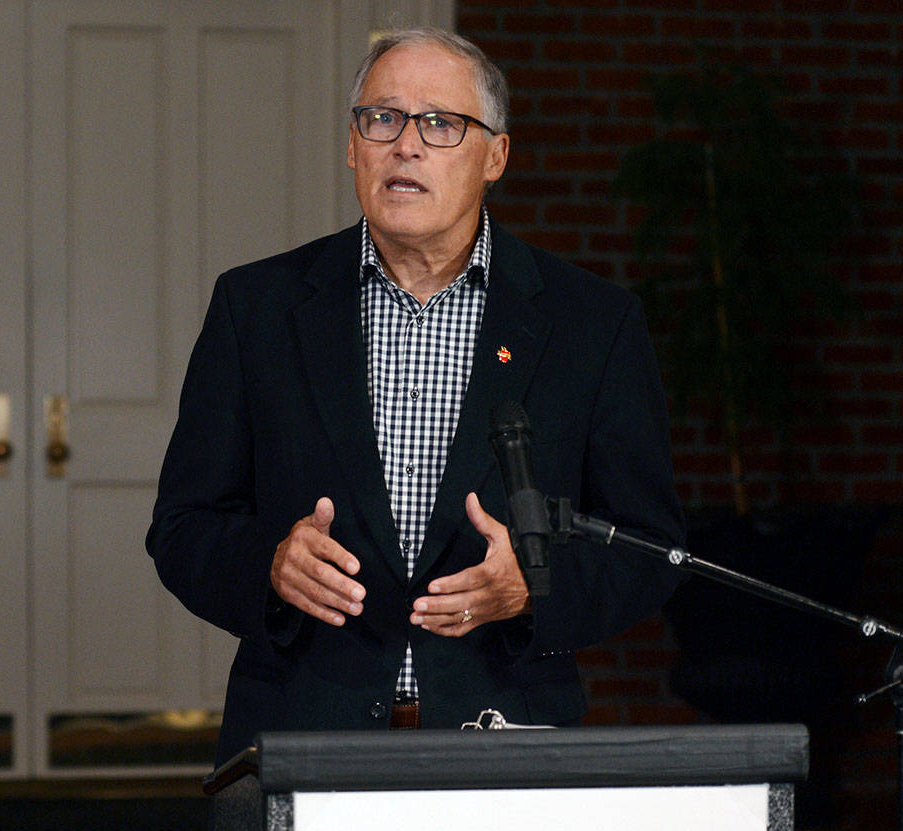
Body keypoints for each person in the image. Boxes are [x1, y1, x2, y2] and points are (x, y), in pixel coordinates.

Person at [147, 27, 685, 768]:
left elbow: (649, 548)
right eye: (383, 118)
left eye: (440, 123)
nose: (406, 145)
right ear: (353, 146)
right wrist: (268, 564)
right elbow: (183, 528)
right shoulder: (257, 308)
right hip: (302, 737)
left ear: (495, 156)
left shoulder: (590, 324)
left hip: (504, 740)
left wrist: (533, 588)